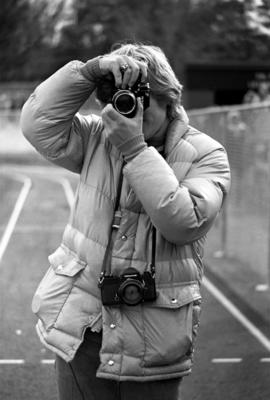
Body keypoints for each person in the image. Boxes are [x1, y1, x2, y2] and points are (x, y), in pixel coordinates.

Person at [20, 42, 231, 400]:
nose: (128, 111)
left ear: (169, 98)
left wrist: (135, 150)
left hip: (155, 339)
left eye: (141, 100)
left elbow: (185, 222)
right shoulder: (97, 137)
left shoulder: (206, 154)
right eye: (118, 99)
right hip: (84, 328)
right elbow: (38, 124)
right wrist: (89, 71)